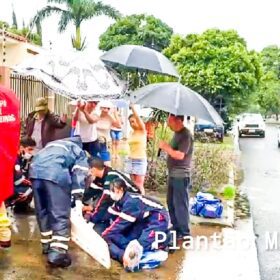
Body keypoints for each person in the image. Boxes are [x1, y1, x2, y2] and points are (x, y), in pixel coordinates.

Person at [29, 136, 89, 268]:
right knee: (59, 213)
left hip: (34, 172)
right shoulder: (78, 150)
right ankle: (57, 254)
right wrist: (77, 199)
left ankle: (47, 246)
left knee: (42, 211)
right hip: (54, 174)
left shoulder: (52, 145)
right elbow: (79, 174)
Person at [101, 178, 169, 267]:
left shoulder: (131, 201)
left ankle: (163, 241)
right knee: (126, 240)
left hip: (158, 218)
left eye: (114, 190)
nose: (112, 194)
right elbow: (109, 215)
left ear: (121, 190)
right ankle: (126, 255)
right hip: (144, 220)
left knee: (141, 245)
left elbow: (120, 223)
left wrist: (105, 234)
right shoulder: (119, 203)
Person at [159, 114, 194, 241]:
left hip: (181, 174)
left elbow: (180, 155)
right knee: (171, 202)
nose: (168, 124)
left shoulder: (186, 135)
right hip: (173, 173)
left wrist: (166, 148)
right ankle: (176, 227)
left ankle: (184, 232)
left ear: (178, 120)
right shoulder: (176, 134)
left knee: (180, 204)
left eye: (170, 121)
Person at [82, 157, 139, 233]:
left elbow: (105, 201)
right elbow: (89, 193)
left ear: (93, 169)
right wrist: (78, 203)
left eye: (88, 169)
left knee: (101, 215)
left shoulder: (111, 176)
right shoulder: (99, 178)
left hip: (132, 202)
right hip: (118, 201)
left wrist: (92, 214)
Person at [6, 137, 36, 213]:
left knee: (31, 187)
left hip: (12, 184)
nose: (31, 152)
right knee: (27, 190)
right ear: (22, 147)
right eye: (29, 149)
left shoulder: (23, 159)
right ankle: (12, 205)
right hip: (7, 185)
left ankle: (21, 208)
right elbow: (18, 180)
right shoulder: (13, 158)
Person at [126, 104, 147, 194]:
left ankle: (142, 203)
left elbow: (138, 118)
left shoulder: (142, 131)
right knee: (133, 185)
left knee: (139, 184)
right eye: (130, 122)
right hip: (131, 159)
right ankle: (134, 202)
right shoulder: (131, 132)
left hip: (140, 160)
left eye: (133, 121)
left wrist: (133, 108)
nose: (132, 124)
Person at [96, 100, 121, 165]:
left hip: (104, 142)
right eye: (104, 108)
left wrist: (115, 113)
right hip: (94, 141)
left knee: (106, 163)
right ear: (100, 108)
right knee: (95, 162)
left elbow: (119, 125)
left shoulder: (110, 118)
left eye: (108, 108)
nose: (106, 110)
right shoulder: (96, 116)